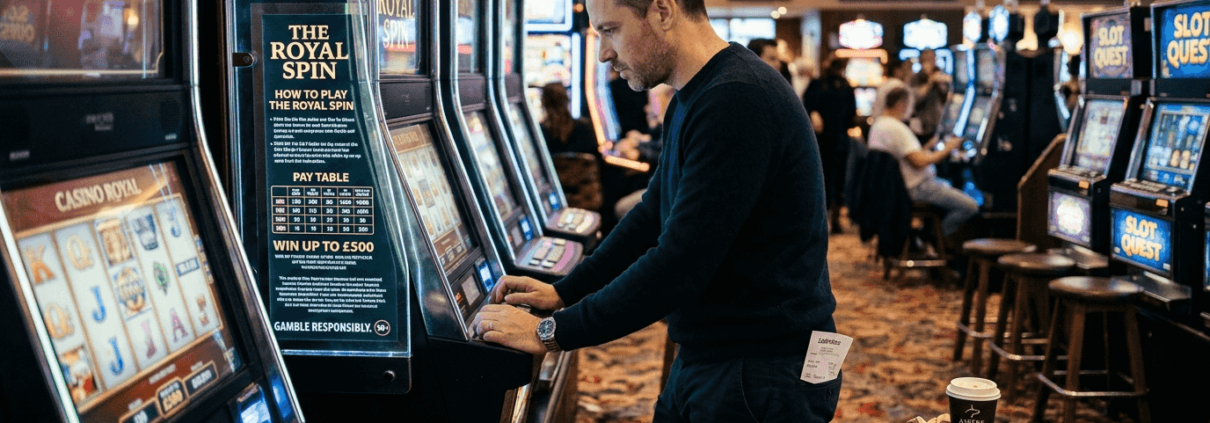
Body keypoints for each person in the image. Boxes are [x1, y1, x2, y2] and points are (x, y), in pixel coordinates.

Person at [472, 0, 840, 421]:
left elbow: (681, 263)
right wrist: (565, 291)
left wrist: (551, 331)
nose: (603, 53)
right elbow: (652, 213)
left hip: (763, 370)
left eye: (611, 30)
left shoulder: (738, 98)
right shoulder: (696, 94)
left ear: (663, 11)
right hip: (721, 354)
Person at [868, 86, 978, 236]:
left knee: (951, 186)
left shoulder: (880, 124)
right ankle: (938, 238)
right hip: (917, 188)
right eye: (910, 105)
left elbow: (908, 156)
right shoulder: (895, 128)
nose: (911, 110)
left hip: (900, 187)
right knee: (971, 206)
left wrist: (928, 147)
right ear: (901, 104)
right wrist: (948, 148)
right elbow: (919, 163)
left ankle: (930, 235)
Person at [803, 54, 856, 234]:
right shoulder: (842, 85)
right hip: (835, 139)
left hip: (825, 139)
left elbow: (806, 106)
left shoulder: (820, 84)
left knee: (825, 179)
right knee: (835, 179)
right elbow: (851, 115)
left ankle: (825, 219)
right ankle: (832, 220)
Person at [908, 49, 950, 138]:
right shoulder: (915, 77)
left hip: (940, 122)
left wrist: (941, 81)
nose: (930, 63)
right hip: (922, 124)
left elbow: (947, 96)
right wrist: (930, 80)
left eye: (932, 59)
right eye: (926, 60)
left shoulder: (941, 74)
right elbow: (917, 96)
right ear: (920, 61)